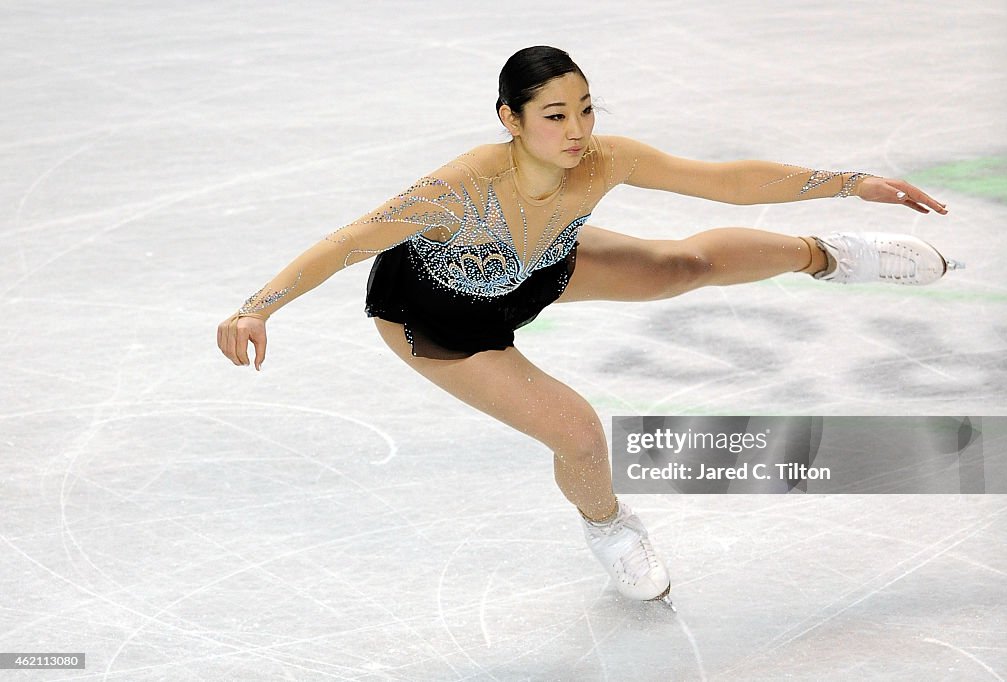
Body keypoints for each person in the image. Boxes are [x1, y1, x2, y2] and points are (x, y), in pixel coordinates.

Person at [216, 46, 958, 608]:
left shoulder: (601, 162)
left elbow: (723, 181)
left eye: (586, 109)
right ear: (510, 120)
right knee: (576, 434)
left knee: (682, 267)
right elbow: (350, 241)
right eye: (555, 115)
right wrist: (258, 306)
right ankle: (608, 526)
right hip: (442, 321)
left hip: (538, 265)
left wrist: (852, 183)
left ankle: (830, 257)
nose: (577, 131)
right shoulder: (458, 188)